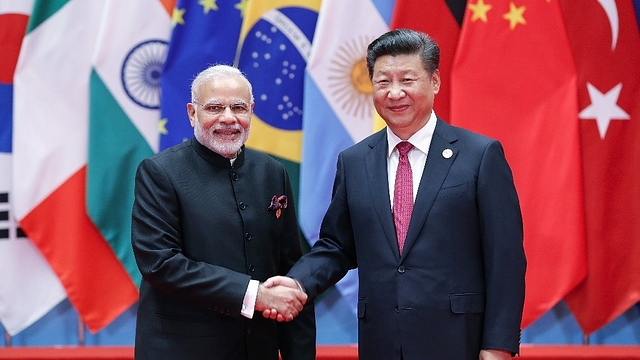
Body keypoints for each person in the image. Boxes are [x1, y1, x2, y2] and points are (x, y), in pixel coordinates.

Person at [264, 29, 526, 360]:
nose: (395, 92)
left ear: (434, 82)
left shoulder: (479, 155)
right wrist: (296, 283)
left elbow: (505, 259)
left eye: (407, 79)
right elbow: (336, 246)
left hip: (460, 342)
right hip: (382, 342)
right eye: (383, 81)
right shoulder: (355, 161)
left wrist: (498, 346)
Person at [131, 64, 315, 360]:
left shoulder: (272, 172)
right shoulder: (160, 173)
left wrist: (300, 354)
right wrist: (255, 295)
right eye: (214, 107)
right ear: (192, 113)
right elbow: (160, 263)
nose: (228, 118)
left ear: (251, 111)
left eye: (239, 107)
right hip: (184, 351)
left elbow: (290, 268)